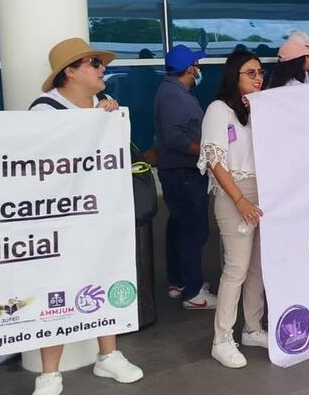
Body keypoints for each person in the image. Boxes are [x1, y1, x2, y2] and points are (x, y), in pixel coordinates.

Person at [29, 38, 144, 395]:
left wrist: (109, 123)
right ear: (70, 71)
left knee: (104, 275)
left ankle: (108, 355)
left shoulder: (101, 107)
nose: (101, 68)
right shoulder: (44, 111)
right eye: (93, 63)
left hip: (99, 215)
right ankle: (49, 373)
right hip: (58, 219)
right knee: (56, 289)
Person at [201, 50, 267, 368]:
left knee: (257, 266)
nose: (258, 78)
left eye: (260, 72)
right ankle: (222, 338)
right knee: (236, 268)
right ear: (234, 76)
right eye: (250, 73)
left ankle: (253, 327)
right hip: (233, 194)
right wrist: (240, 200)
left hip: (263, 191)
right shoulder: (218, 110)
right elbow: (215, 161)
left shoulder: (260, 107)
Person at [153, 44, 218, 309]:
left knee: (179, 227)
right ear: (190, 68)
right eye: (197, 65)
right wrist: (206, 152)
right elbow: (175, 137)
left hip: (181, 172)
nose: (199, 69)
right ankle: (193, 293)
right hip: (184, 173)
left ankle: (180, 282)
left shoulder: (176, 92)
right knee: (194, 230)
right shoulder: (174, 96)